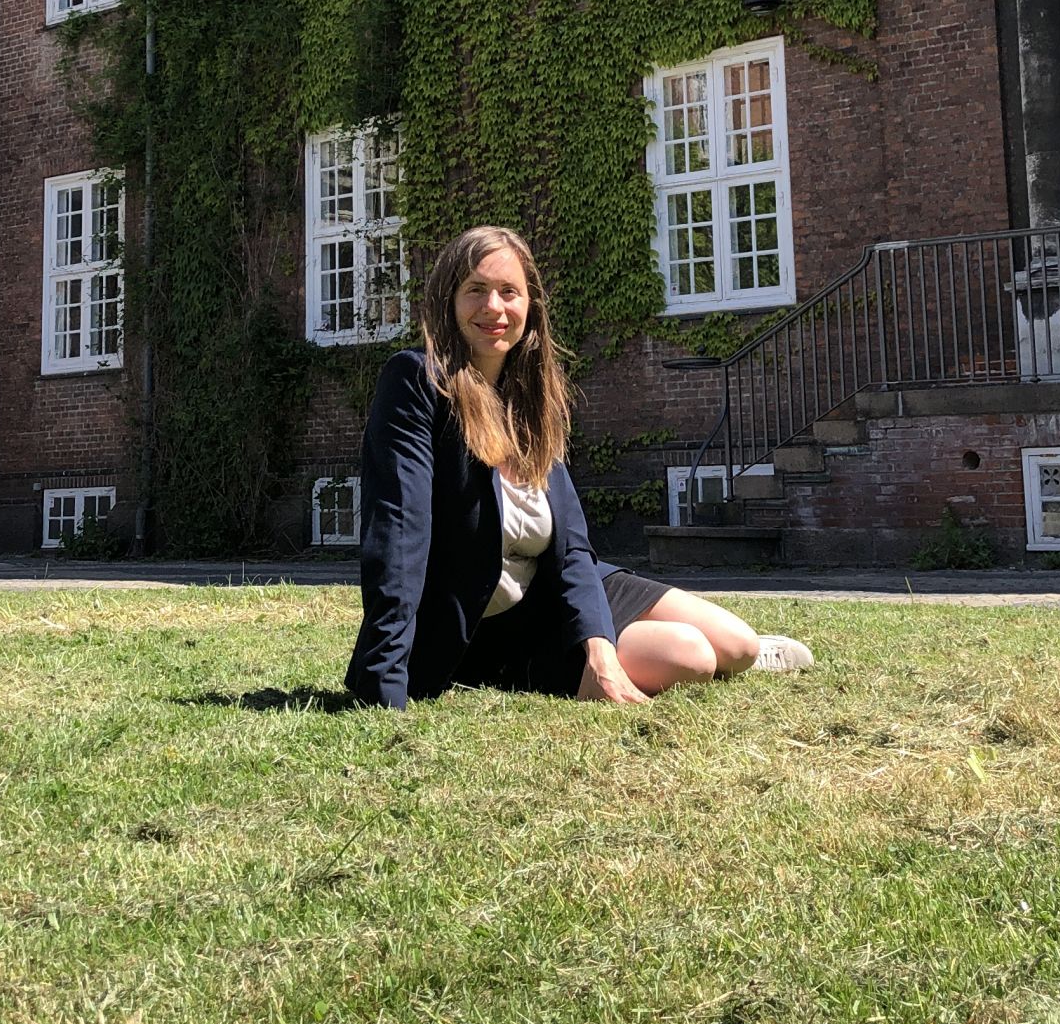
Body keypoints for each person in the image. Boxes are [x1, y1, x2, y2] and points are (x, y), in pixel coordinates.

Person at [344, 223, 814, 709]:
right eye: (475, 290)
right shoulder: (417, 383)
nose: (494, 308)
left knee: (738, 643)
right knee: (691, 656)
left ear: (531, 305)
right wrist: (383, 679)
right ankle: (572, 662)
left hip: (554, 586)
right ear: (448, 300)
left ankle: (742, 654)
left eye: (509, 291)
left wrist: (599, 645)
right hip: (496, 623)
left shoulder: (529, 397)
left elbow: (570, 547)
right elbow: (399, 531)